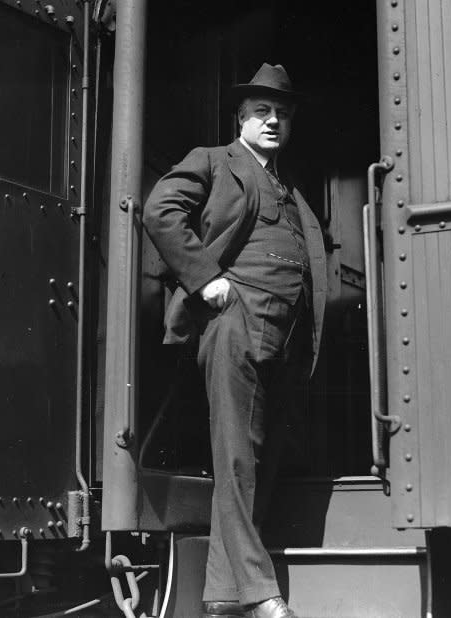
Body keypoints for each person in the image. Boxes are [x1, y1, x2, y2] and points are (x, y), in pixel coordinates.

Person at [142, 63, 327, 618]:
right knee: (237, 456)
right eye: (262, 112)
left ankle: (222, 594)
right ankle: (257, 592)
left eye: (282, 114)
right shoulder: (212, 160)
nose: (273, 121)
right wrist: (206, 279)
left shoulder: (289, 187)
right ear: (240, 119)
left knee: (260, 458)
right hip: (236, 321)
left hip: (285, 332)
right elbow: (160, 209)